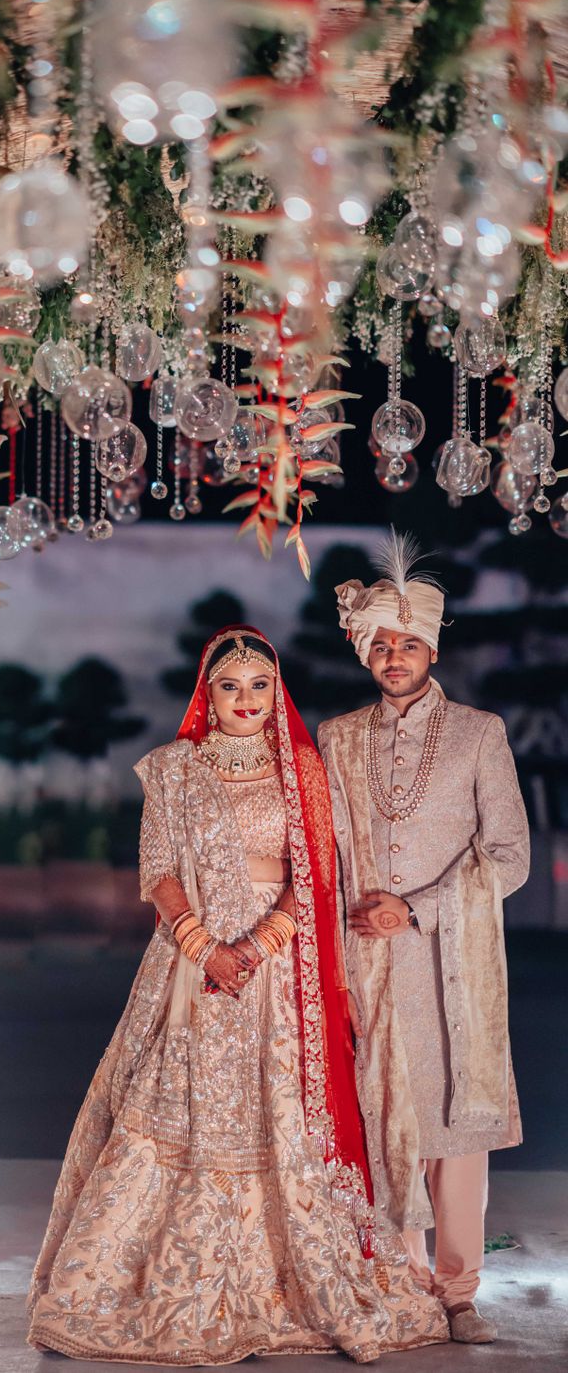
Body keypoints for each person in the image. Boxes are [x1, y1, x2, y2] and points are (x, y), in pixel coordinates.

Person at [27, 626, 447, 1366]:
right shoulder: (172, 769)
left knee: (275, 1112)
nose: (246, 698)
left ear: (273, 691)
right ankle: (124, 1280)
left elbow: (313, 877)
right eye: (230, 685)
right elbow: (157, 869)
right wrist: (203, 947)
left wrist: (252, 947)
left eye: (259, 684)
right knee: (167, 1104)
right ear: (207, 694)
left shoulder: (302, 771)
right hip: (188, 967)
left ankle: (287, 1281)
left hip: (275, 972)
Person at [318, 532, 530, 1346]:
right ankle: (400, 1287)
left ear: (432, 649)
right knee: (382, 1123)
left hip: (452, 958)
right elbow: (320, 848)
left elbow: (508, 856)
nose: (395, 655)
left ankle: (459, 1290)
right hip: (363, 960)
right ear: (367, 650)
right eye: (382, 643)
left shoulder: (481, 733)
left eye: (409, 643)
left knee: (456, 1125)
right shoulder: (336, 738)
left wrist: (421, 910)